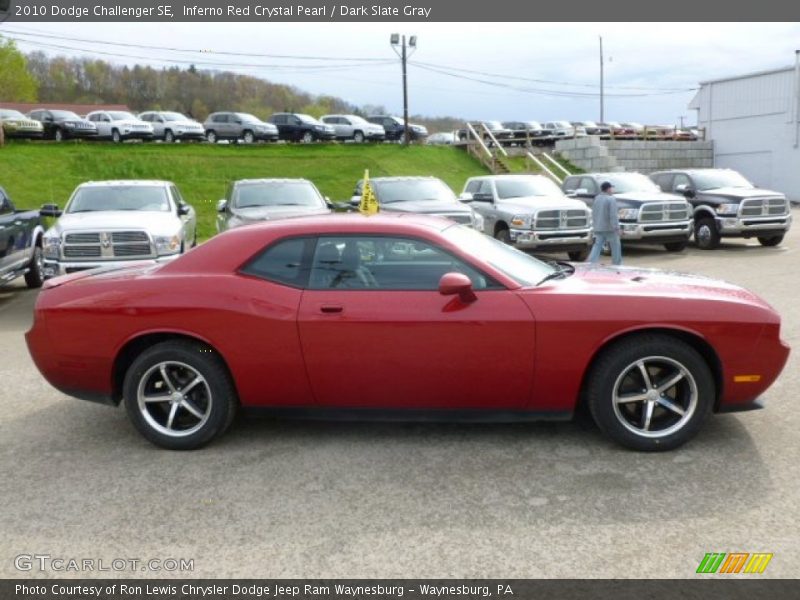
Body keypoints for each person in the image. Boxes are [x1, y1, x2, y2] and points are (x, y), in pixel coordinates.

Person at [588, 181, 622, 266]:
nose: (612, 190)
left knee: (597, 245)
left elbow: (593, 213)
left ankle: (591, 263)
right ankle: (617, 264)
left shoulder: (597, 198)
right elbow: (613, 215)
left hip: (598, 227)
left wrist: (595, 226)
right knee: (615, 246)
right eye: (611, 188)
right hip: (610, 228)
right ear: (608, 189)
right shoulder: (611, 199)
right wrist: (617, 228)